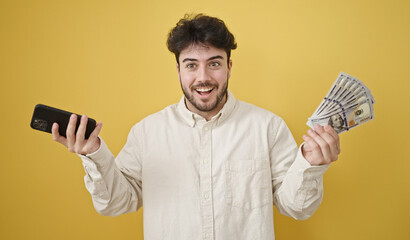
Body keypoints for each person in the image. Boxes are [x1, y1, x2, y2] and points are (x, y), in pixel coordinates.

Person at [52, 14, 340, 240]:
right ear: (178, 69)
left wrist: (310, 165)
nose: (203, 77)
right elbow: (116, 203)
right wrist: (95, 155)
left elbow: (297, 207)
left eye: (214, 63)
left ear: (229, 66)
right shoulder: (147, 132)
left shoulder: (268, 127)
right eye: (191, 65)